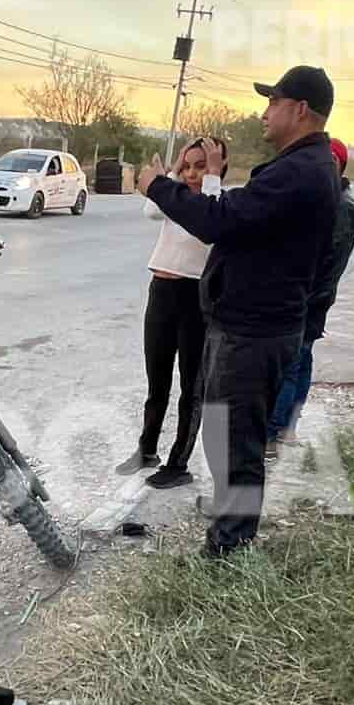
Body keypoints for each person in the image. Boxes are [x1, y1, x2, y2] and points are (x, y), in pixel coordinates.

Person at [137, 65, 340, 558]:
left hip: (255, 330)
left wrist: (157, 186)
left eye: (273, 103)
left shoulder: (300, 172)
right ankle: (230, 532)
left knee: (237, 444)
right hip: (255, 323)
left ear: (300, 110)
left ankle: (227, 554)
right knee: (230, 438)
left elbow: (218, 220)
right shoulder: (304, 169)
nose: (264, 112)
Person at [115, 137, 225, 489]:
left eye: (200, 165)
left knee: (191, 386)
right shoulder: (176, 199)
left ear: (217, 168)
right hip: (161, 292)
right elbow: (151, 209)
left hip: (195, 298)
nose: (192, 173)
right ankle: (147, 449)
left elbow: (210, 229)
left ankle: (179, 464)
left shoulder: (217, 202)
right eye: (188, 165)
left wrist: (212, 175)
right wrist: (173, 174)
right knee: (156, 379)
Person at [266, 136, 354, 456]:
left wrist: (300, 298)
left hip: (310, 300)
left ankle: (273, 431)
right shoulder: (333, 201)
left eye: (331, 162)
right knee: (301, 361)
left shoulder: (342, 207)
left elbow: (327, 264)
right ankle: (288, 427)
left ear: (340, 165)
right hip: (311, 299)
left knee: (291, 365)